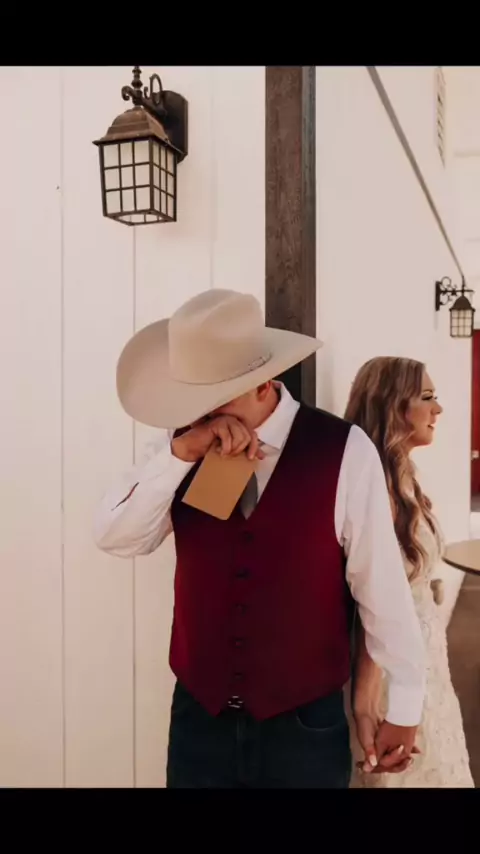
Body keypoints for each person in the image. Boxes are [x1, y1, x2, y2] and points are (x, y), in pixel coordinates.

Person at [93, 288, 426, 788]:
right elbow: (117, 537)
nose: (198, 411)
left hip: (303, 727)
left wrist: (405, 702)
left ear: (264, 381)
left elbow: (379, 587)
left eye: (213, 396)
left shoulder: (343, 450)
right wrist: (180, 457)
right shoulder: (177, 446)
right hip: (198, 722)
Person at [345, 356, 474, 788]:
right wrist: (367, 702)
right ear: (392, 403)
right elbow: (374, 604)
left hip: (427, 661)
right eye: (427, 397)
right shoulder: (376, 488)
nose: (438, 409)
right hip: (391, 668)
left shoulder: (403, 475)